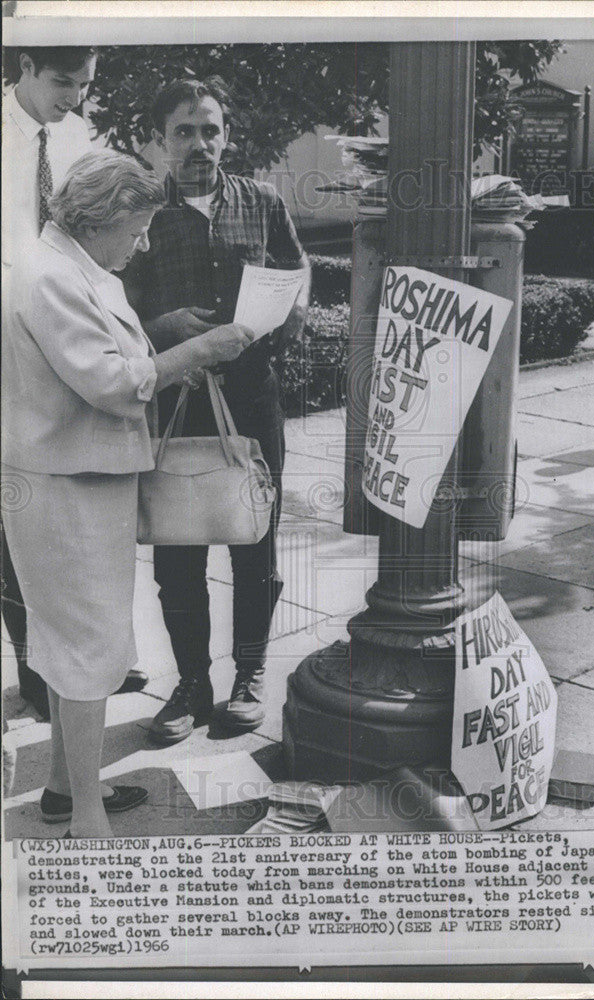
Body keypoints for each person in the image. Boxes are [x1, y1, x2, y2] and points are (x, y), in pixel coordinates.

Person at [1, 150, 257, 836]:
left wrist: (164, 342)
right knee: (88, 652)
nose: (143, 243)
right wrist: (193, 354)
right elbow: (112, 383)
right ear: (100, 217)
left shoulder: (74, 266)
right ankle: (86, 819)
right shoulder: (54, 276)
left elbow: (111, 357)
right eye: (137, 228)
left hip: (76, 479)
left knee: (70, 646)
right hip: (65, 488)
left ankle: (63, 789)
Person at [121, 77, 311, 745]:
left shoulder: (260, 201)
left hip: (251, 398)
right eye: (184, 132)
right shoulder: (142, 210)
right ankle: (192, 683)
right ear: (159, 141)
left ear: (226, 134)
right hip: (176, 400)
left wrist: (278, 321)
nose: (199, 144)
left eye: (210, 129)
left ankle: (249, 676)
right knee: (178, 549)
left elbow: (294, 274)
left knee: (254, 540)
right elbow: (117, 306)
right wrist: (164, 324)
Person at [1, 44, 147, 715]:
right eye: (63, 81)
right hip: (16, 340)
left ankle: (71, 681)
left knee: (57, 541)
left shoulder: (73, 140)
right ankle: (49, 681)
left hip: (58, 346)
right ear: (23, 65)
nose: (74, 98)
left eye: (85, 85)